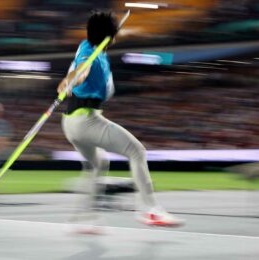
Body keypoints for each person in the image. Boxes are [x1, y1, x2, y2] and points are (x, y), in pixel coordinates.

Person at [57, 10, 184, 227]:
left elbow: (82, 66)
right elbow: (82, 71)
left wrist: (71, 81)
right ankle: (151, 210)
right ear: (111, 36)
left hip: (71, 123)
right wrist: (69, 82)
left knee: (98, 163)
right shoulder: (92, 57)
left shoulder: (86, 46)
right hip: (86, 121)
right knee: (137, 151)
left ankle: (83, 217)